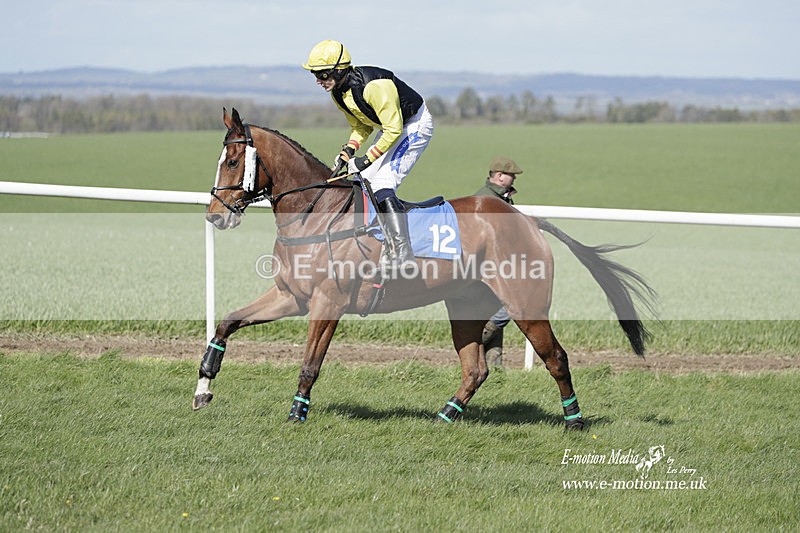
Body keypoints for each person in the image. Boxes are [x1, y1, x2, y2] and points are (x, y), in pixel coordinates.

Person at [302, 39, 434, 271]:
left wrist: (366, 158)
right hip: (390, 129)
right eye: (315, 74)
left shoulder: (374, 86)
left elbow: (393, 129)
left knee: (382, 182)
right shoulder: (338, 93)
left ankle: (403, 252)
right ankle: (375, 241)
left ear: (339, 70)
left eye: (322, 75)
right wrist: (349, 150)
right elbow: (362, 126)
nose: (318, 81)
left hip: (413, 125)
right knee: (362, 182)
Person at [474, 155, 524, 367]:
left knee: (500, 308)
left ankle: (495, 366)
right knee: (512, 306)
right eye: (512, 175)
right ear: (500, 176)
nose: (514, 179)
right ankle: (477, 341)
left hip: (493, 267)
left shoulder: (498, 197)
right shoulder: (488, 200)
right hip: (487, 269)